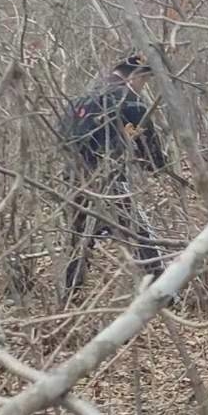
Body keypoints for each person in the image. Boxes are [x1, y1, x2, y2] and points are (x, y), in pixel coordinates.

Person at [60, 53, 169, 299]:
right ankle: (163, 291)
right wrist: (156, 165)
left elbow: (63, 133)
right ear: (136, 76)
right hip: (109, 179)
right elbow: (144, 136)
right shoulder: (127, 99)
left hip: (74, 177)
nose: (144, 87)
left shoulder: (84, 97)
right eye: (145, 81)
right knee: (140, 234)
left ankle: (70, 292)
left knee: (80, 236)